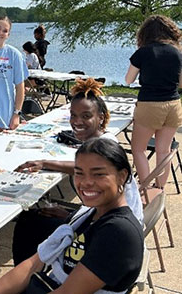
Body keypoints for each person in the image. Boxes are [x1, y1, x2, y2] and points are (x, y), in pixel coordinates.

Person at [0, 138, 144, 294]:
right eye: (79, 174)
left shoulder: (118, 233)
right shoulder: (90, 214)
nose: (86, 182)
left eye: (98, 174)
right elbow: (34, 263)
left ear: (122, 176)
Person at [12, 78, 143, 266]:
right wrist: (44, 163)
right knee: (39, 215)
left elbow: (101, 203)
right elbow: (79, 169)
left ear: (101, 117)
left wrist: (70, 218)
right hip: (101, 216)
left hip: (108, 228)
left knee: (28, 223)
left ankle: (29, 276)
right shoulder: (101, 142)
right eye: (73, 115)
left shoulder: (104, 146)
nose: (77, 121)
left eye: (86, 116)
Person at [125, 14, 182, 188]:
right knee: (163, 151)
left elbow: (128, 79)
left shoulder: (143, 52)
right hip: (173, 104)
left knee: (138, 149)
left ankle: (146, 187)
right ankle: (159, 189)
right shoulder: (177, 53)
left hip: (149, 104)